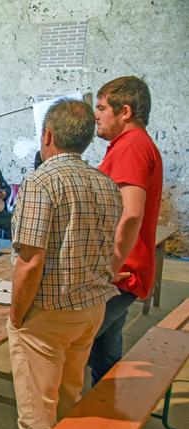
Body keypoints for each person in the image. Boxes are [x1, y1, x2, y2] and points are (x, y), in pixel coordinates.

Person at [7, 99, 123, 429]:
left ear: (48, 135)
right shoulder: (104, 183)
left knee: (37, 418)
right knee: (68, 398)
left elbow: (30, 261)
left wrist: (16, 316)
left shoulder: (41, 182)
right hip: (91, 308)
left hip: (49, 313)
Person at [88, 76, 163, 385]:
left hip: (122, 273)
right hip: (126, 269)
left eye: (102, 107)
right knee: (105, 351)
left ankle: (55, 428)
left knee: (68, 345)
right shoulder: (130, 145)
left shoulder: (131, 146)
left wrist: (110, 267)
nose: (96, 114)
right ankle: (104, 414)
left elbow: (131, 214)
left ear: (125, 112)